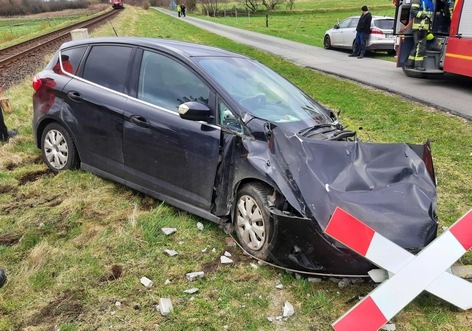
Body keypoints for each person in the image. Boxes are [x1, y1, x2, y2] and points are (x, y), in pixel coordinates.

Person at [404, 0, 434, 71]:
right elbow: (413, 11)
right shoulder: (418, 0)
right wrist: (424, 15)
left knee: (417, 46)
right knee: (420, 47)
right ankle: (418, 65)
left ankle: (409, 63)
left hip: (425, 28)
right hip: (419, 28)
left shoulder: (430, 2)